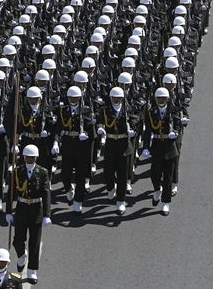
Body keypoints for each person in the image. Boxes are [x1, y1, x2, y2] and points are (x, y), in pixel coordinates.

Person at [5, 144, 51, 283]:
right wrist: (8, 211)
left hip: (37, 209)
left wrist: (47, 214)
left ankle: (32, 270)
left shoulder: (42, 172)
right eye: (27, 157)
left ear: (36, 157)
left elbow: (46, 193)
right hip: (22, 208)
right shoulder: (17, 171)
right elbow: (11, 192)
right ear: (24, 157)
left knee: (34, 242)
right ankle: (21, 255)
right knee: (18, 240)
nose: (29, 159)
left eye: (32, 157)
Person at [96, 86, 137, 214]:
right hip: (111, 144)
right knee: (108, 173)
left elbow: (135, 121)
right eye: (114, 97)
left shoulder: (128, 109)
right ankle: (110, 188)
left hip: (124, 144)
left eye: (118, 97)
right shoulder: (105, 110)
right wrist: (100, 128)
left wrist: (132, 131)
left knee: (122, 175)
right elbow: (99, 121)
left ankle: (120, 201)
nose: (116, 99)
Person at [141, 87, 180, 215]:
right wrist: (146, 146)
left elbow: (178, 124)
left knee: (168, 177)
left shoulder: (173, 110)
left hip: (170, 147)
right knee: (155, 174)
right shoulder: (151, 112)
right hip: (157, 146)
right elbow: (148, 131)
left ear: (168, 99)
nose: (161, 100)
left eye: (163, 98)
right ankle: (157, 190)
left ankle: (165, 203)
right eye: (159, 98)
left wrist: (175, 132)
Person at [57, 85, 94, 214]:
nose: (73, 99)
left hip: (81, 147)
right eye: (71, 97)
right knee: (65, 174)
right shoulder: (63, 111)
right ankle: (68, 189)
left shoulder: (86, 110)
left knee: (81, 175)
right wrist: (56, 141)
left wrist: (87, 136)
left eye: (75, 97)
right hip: (67, 145)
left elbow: (90, 128)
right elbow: (58, 127)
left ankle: (78, 201)